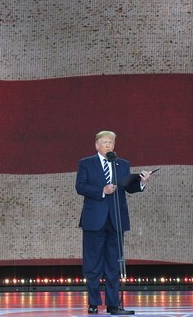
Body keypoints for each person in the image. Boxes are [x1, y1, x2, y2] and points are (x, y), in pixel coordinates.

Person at [76, 130, 153, 315]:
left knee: (113, 264)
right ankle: (93, 303)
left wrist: (141, 183)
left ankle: (113, 304)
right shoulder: (86, 163)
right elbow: (80, 187)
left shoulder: (122, 164)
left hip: (116, 220)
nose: (108, 146)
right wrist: (102, 190)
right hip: (94, 220)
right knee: (93, 265)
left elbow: (129, 187)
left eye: (111, 143)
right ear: (96, 145)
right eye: (104, 142)